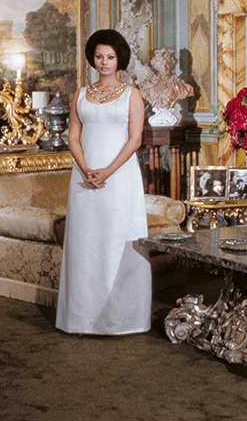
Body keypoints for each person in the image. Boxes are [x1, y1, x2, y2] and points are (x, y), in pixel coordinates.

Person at [56, 29, 151, 335]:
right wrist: (86, 169)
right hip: (84, 178)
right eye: (99, 56)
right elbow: (72, 136)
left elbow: (135, 140)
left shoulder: (131, 94)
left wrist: (107, 172)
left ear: (119, 59)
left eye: (110, 57)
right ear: (92, 59)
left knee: (116, 240)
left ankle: (122, 320)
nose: (105, 62)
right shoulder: (80, 94)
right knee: (85, 244)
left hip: (119, 178)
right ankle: (81, 319)